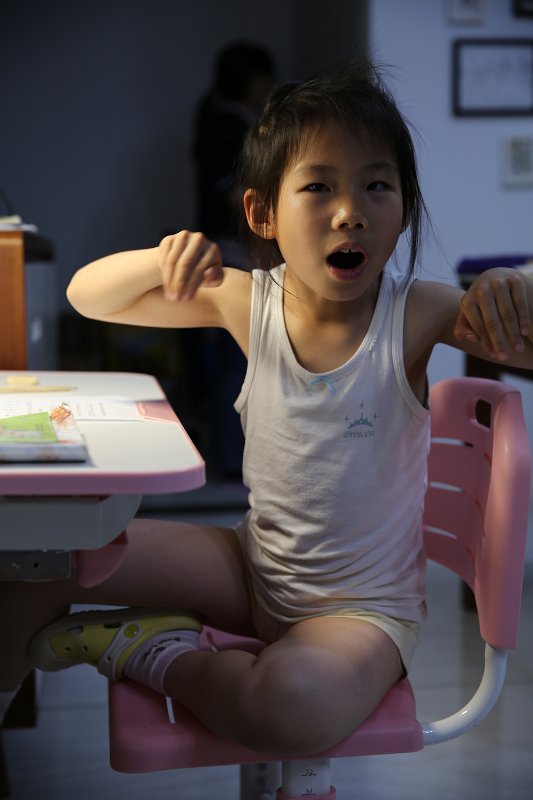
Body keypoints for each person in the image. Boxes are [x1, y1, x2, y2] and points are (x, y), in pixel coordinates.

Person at [2, 57, 533, 757]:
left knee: (290, 708)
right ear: (263, 214)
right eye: (318, 186)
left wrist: (511, 289)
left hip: (363, 615)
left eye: (377, 186)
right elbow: (87, 295)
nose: (350, 211)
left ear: (403, 210)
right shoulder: (246, 299)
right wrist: (163, 259)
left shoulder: (417, 313)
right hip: (250, 567)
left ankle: (147, 649)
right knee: (33, 561)